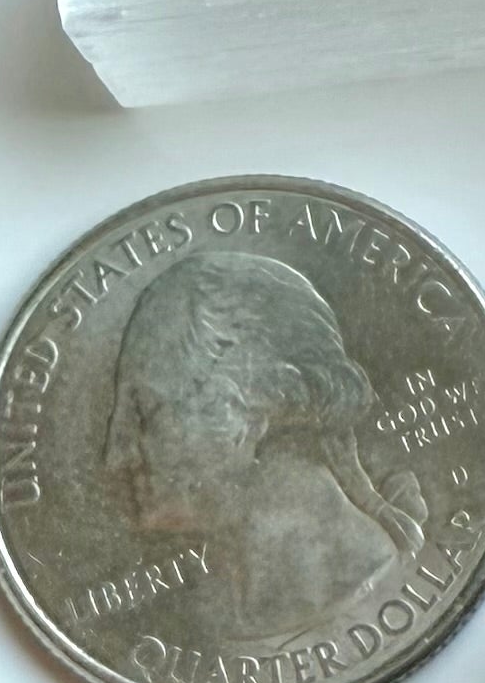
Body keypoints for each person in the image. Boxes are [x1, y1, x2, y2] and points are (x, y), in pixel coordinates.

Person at [101, 251, 428, 640]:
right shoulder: (222, 614)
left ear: (261, 405)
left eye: (143, 410)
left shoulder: (328, 592)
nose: (114, 457)